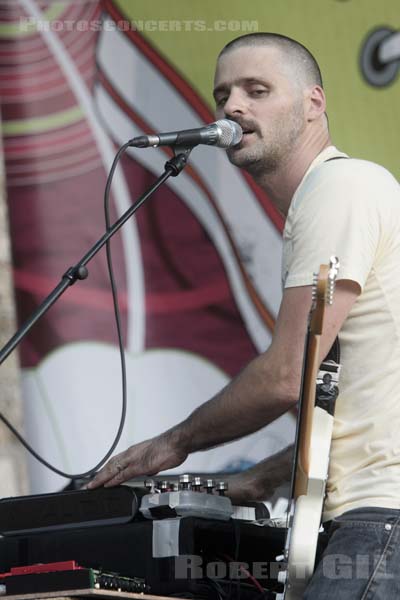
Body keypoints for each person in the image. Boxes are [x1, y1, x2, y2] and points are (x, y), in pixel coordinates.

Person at [89, 33, 400, 598]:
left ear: (314, 103)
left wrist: (176, 442)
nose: (232, 107)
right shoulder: (333, 199)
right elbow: (363, 398)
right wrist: (263, 477)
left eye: (257, 90)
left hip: (378, 521)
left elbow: (286, 375)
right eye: (223, 94)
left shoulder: (340, 187)